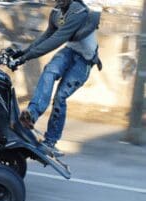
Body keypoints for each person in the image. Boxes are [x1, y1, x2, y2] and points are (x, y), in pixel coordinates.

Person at [9, 0, 102, 157]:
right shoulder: (57, 12)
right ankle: (31, 114)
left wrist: (27, 57)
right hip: (69, 52)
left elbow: (56, 40)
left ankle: (51, 142)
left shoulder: (78, 12)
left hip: (84, 60)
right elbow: (46, 36)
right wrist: (23, 53)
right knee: (49, 71)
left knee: (60, 97)